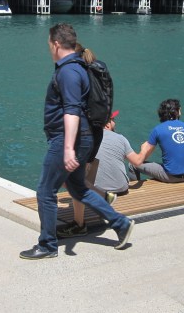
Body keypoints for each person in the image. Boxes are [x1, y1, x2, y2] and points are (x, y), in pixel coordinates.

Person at [20, 23, 134, 260]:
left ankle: (48, 245)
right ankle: (120, 223)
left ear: (56, 44)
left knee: (45, 191)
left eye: (49, 45)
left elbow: (71, 111)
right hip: (79, 137)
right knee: (78, 188)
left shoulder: (69, 71)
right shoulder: (77, 67)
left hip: (68, 139)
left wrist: (69, 149)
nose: (49, 49)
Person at [59, 110, 141, 238]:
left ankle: (79, 223)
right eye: (113, 120)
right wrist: (146, 149)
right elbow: (137, 162)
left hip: (97, 189)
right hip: (122, 187)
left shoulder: (86, 138)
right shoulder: (121, 138)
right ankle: (105, 198)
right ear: (107, 124)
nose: (115, 122)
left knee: (74, 176)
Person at [131, 99, 184, 183]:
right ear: (176, 112)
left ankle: (135, 194)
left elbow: (141, 159)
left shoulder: (158, 129)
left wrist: (143, 149)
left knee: (133, 164)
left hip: (170, 176)